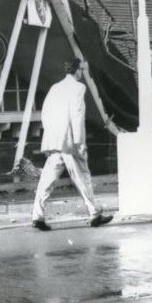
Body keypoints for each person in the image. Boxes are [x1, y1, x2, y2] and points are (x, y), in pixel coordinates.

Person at [32, 59, 113, 230]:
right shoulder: (78, 88)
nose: (82, 73)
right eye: (81, 70)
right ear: (76, 71)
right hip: (70, 142)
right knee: (82, 177)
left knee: (47, 181)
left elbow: (45, 113)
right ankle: (94, 214)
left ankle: (37, 216)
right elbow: (77, 115)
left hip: (54, 141)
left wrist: (50, 137)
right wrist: (80, 142)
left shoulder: (55, 88)